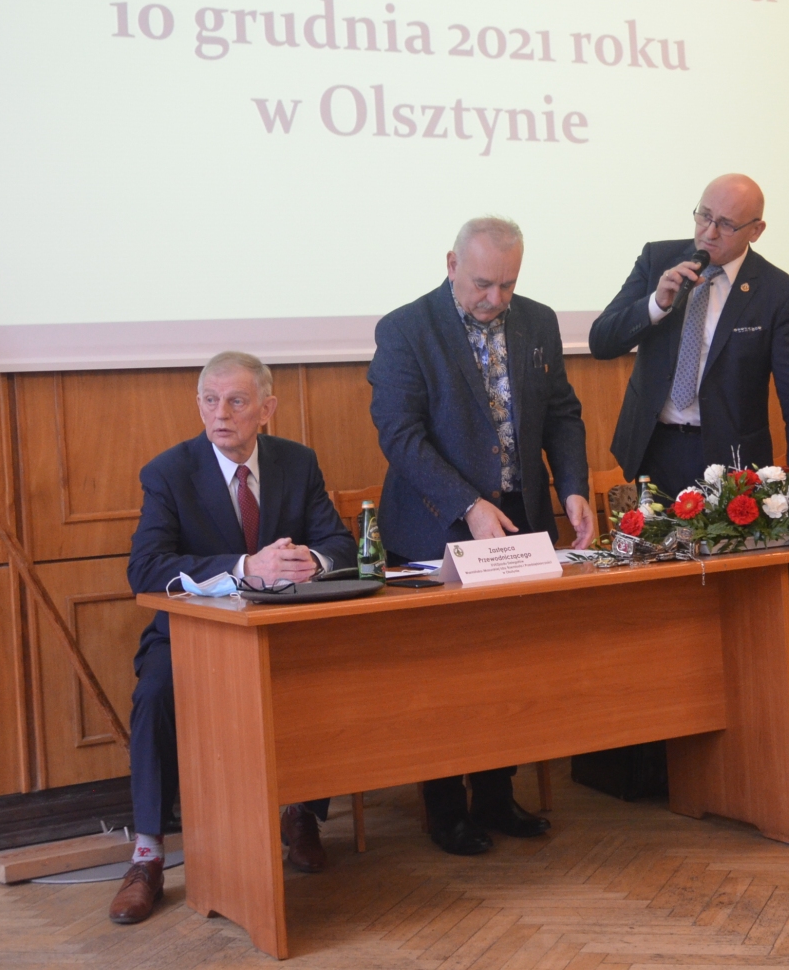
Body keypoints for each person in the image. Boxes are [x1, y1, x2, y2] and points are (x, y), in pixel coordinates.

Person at [367, 216, 594, 857]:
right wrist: (467, 504)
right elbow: (400, 435)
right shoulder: (405, 329)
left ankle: (496, 796)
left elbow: (561, 413)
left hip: (520, 519)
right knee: (444, 673)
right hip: (436, 522)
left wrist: (572, 486)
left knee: (506, 666)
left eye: (508, 285)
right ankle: (445, 810)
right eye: (482, 284)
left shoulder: (538, 321)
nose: (496, 299)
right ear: (451, 264)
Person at [111, 351, 356, 924]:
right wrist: (246, 568)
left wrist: (310, 561)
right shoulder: (169, 472)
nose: (220, 414)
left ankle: (300, 813)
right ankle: (148, 854)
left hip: (277, 629)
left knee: (320, 671)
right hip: (192, 635)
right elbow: (145, 569)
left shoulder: (297, 462)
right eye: (210, 401)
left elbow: (341, 546)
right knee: (155, 694)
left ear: (266, 409)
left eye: (236, 402)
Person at [589, 173, 789, 498]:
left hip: (733, 461)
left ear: (756, 230)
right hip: (654, 447)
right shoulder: (657, 260)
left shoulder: (778, 292)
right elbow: (601, 341)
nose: (709, 232)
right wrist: (656, 304)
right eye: (704, 216)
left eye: (726, 224)